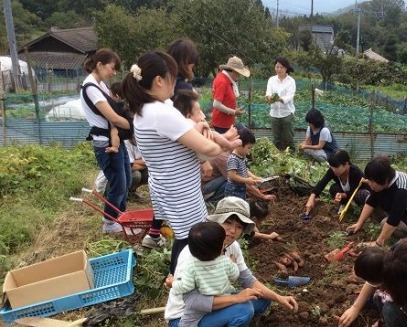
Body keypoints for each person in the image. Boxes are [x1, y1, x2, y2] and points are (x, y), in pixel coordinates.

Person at [122, 51, 228, 275]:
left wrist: (196, 131)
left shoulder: (146, 108)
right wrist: (221, 146)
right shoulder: (161, 113)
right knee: (190, 236)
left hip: (167, 182)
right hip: (179, 188)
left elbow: (175, 137)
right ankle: (177, 279)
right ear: (159, 80)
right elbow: (207, 148)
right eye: (172, 76)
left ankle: (179, 278)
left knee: (185, 234)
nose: (175, 82)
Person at [165, 197, 298, 327]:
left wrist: (278, 297)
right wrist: (236, 298)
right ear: (216, 221)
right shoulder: (195, 253)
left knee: (261, 297)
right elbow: (193, 301)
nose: (233, 231)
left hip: (211, 303)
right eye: (228, 222)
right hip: (185, 321)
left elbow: (247, 279)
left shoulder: (231, 246)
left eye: (239, 226)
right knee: (244, 309)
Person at [80, 48, 132, 234]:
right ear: (100, 65)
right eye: (112, 67)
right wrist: (136, 125)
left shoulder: (101, 86)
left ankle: (120, 216)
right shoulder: (91, 88)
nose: (114, 72)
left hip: (115, 138)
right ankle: (109, 221)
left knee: (126, 179)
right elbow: (114, 118)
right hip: (105, 142)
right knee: (118, 182)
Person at [168, 222, 239, 327]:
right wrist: (233, 263)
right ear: (219, 248)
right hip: (222, 299)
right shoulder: (225, 261)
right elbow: (235, 275)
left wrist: (172, 283)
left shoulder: (192, 267)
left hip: (202, 306)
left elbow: (185, 286)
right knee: (240, 307)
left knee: (187, 324)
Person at [346, 156, 407, 247]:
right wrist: (359, 223)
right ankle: (387, 232)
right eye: (369, 180)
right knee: (375, 205)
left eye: (372, 181)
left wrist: (377, 243)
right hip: (401, 210)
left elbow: (393, 220)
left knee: (385, 222)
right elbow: (371, 201)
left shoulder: (401, 190)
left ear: (385, 180)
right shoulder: (386, 177)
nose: (369, 184)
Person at [304, 149, 369, 216]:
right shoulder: (333, 171)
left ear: (346, 164)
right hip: (347, 195)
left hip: (357, 194)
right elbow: (322, 183)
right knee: (333, 188)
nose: (334, 170)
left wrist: (342, 195)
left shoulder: (355, 172)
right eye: (332, 167)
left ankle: (364, 210)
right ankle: (345, 205)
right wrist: (311, 198)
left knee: (361, 194)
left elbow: (354, 191)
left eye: (337, 167)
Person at [224, 128, 276, 202]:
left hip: (241, 188)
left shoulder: (242, 156)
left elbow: (245, 170)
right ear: (239, 145)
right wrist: (246, 180)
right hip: (234, 190)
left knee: (241, 203)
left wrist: (255, 177)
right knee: (236, 207)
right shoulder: (233, 159)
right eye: (249, 148)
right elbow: (232, 176)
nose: (249, 151)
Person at [211, 56, 249, 134]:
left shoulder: (227, 80)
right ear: (233, 71)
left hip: (227, 122)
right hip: (221, 123)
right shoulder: (222, 81)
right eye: (238, 73)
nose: (239, 76)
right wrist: (233, 112)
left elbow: (227, 99)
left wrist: (234, 111)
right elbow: (216, 104)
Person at [265, 57, 296, 150]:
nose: (279, 69)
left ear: (286, 68)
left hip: (287, 113)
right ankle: (278, 157)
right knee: (276, 139)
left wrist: (280, 99)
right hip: (274, 113)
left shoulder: (291, 81)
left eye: (281, 67)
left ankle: (292, 155)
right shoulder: (271, 80)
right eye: (277, 67)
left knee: (288, 138)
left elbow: (290, 96)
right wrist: (268, 98)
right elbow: (268, 93)